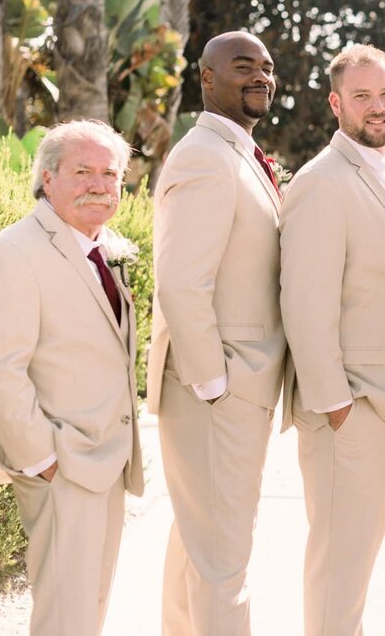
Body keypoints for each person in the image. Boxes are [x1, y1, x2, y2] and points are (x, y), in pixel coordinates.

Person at [0, 120, 143, 636]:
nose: (99, 185)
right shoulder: (12, 253)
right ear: (47, 178)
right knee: (64, 617)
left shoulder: (100, 248)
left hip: (106, 462)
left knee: (87, 611)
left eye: (110, 174)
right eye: (82, 171)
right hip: (62, 465)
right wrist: (43, 459)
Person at [278, 44, 385, 636]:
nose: (377, 106)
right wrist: (336, 404)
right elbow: (304, 300)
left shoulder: (382, 173)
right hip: (352, 408)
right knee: (339, 568)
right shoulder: (323, 180)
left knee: (356, 565)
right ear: (336, 103)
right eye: (362, 96)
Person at [147, 32, 286, 635]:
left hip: (230, 390)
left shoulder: (239, 153)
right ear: (206, 78)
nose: (260, 75)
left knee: (198, 551)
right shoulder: (206, 154)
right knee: (224, 563)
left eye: (267, 67)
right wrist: (213, 384)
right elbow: (180, 282)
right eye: (243, 66)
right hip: (216, 393)